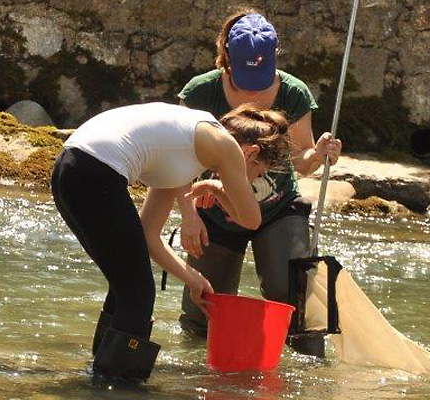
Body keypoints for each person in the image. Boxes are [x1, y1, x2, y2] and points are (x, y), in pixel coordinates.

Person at [51, 102, 291, 382]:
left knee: (126, 288)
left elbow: (148, 236)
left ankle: (100, 373)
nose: (251, 181)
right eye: (259, 174)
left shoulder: (185, 148)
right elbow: (251, 219)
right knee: (138, 297)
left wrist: (192, 278)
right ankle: (117, 385)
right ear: (251, 153)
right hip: (96, 171)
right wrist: (216, 187)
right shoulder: (225, 146)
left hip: (69, 167)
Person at [175, 10, 344, 355]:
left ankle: (306, 378)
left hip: (277, 208)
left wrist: (320, 154)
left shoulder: (294, 93)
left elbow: (301, 163)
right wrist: (188, 214)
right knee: (204, 306)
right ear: (226, 58)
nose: (255, 85)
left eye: (261, 73)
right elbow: (176, 163)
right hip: (214, 209)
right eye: (245, 74)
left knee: (293, 294)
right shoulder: (200, 93)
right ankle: (196, 377)